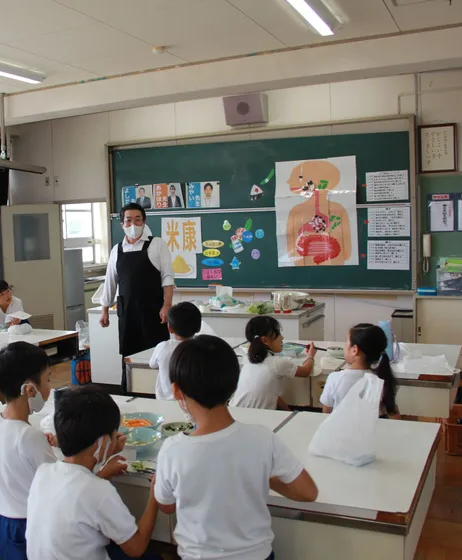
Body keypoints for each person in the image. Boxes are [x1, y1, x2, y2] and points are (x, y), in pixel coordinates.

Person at [154, 336, 318, 560]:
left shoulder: (172, 450)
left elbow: (166, 506)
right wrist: (262, 474)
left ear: (176, 391)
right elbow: (308, 492)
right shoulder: (262, 438)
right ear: (235, 384)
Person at [26, 385, 159, 560]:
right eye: (114, 436)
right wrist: (155, 494)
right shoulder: (99, 491)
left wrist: (102, 467)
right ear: (103, 442)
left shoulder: (44, 472)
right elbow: (137, 547)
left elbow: (77, 491)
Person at [0, 342, 57, 559]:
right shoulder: (29, 437)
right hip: (29, 528)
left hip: (2, 523)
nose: (49, 387)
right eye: (48, 379)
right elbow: (60, 487)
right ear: (29, 390)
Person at [101, 203, 175, 392]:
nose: (133, 224)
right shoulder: (117, 250)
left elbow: (167, 277)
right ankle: (130, 393)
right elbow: (110, 281)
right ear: (122, 224)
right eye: (128, 220)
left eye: (137, 219)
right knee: (129, 355)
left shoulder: (157, 244)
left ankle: (159, 393)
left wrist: (167, 305)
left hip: (154, 311)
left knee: (157, 354)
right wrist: (104, 310)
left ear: (144, 221)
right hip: (127, 313)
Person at [230, 316, 316, 411]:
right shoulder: (278, 363)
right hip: (257, 416)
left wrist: (289, 412)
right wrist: (311, 355)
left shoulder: (248, 359)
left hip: (234, 411)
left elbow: (271, 395)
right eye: (277, 334)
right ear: (265, 340)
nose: (282, 338)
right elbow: (306, 371)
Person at [321, 323, 399, 418]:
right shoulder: (381, 379)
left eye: (346, 342)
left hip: (340, 427)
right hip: (370, 427)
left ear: (355, 350)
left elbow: (326, 414)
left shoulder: (335, 378)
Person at [149, 302, 200, 400]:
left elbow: (152, 364)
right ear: (198, 328)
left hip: (163, 401)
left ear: (169, 328)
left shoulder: (163, 347)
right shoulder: (200, 348)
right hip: (191, 402)